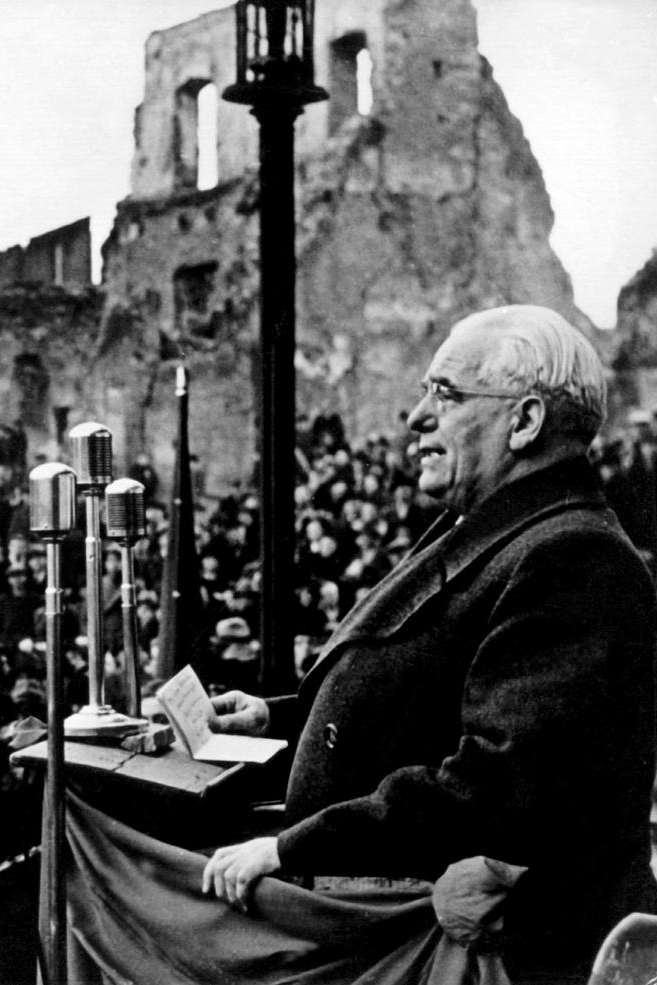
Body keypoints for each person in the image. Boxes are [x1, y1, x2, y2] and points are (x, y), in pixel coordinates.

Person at [201, 306, 657, 981]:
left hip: (457, 951)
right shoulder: (505, 529)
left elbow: (494, 784)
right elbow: (428, 694)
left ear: (525, 421)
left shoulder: (574, 555)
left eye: (444, 394)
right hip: (386, 923)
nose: (416, 418)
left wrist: (293, 845)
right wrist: (281, 715)